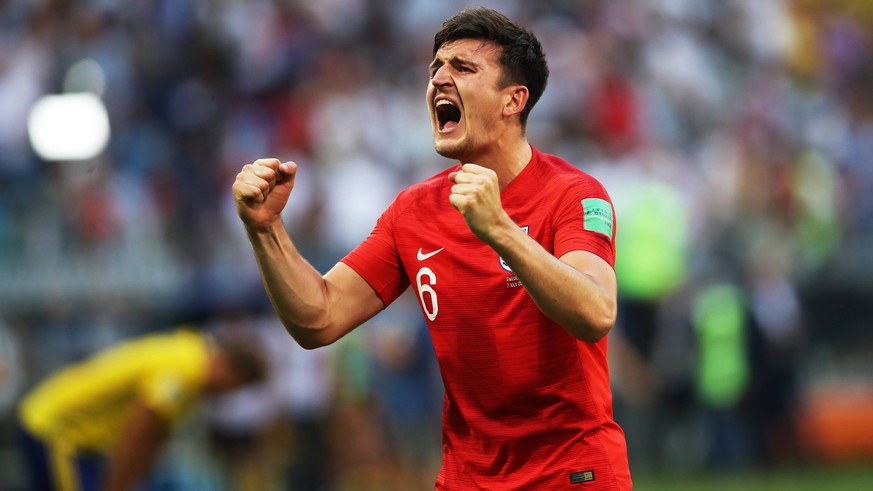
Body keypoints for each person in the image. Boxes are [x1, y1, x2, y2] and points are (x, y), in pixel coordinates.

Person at [233, 7, 631, 490]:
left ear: (513, 100)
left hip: (571, 473)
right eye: (435, 68)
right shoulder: (414, 211)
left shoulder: (575, 194)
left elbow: (596, 311)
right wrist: (266, 228)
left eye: (462, 68)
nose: (439, 78)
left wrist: (501, 231)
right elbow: (320, 317)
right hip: (467, 478)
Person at [16, 326, 266, 491]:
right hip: (57, 432)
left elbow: (154, 435)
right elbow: (139, 427)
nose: (228, 395)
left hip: (74, 438)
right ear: (229, 369)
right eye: (236, 386)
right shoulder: (186, 370)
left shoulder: (191, 351)